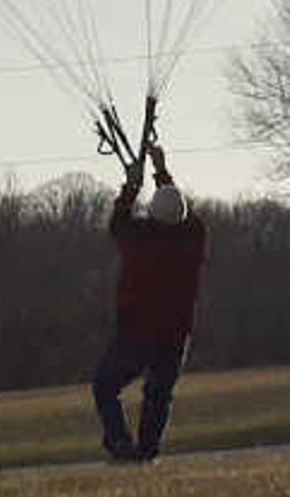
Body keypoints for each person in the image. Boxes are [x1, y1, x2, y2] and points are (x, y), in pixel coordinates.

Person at [92, 139, 208, 464]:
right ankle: (146, 454)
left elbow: (117, 223)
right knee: (158, 396)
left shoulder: (140, 239)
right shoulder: (194, 238)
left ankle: (120, 443)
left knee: (105, 386)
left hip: (136, 333)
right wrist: (160, 170)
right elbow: (182, 212)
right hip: (175, 336)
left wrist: (132, 184)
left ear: (153, 215)